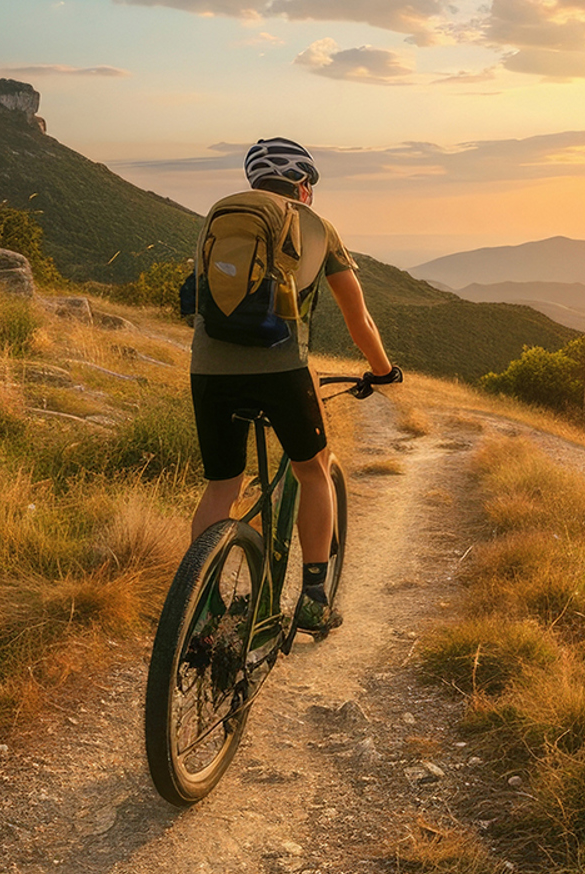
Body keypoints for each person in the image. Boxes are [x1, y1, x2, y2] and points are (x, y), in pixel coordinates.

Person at [189, 136, 401, 633]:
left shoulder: (219, 216)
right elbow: (359, 317)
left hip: (208, 369)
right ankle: (312, 598)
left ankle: (199, 607)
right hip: (281, 368)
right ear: (303, 186)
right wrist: (383, 369)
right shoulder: (317, 226)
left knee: (222, 486)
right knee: (312, 470)